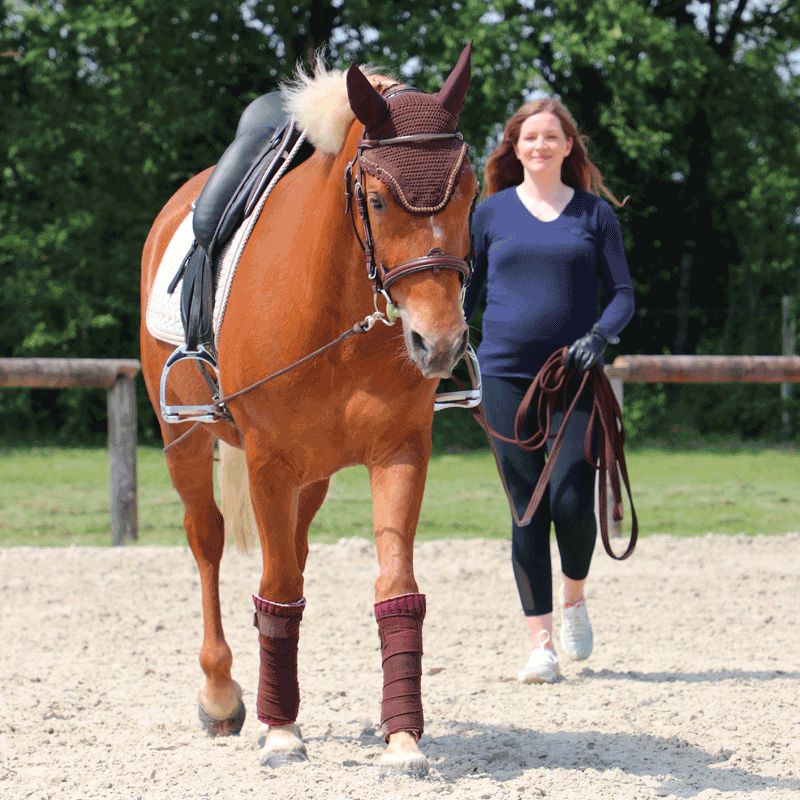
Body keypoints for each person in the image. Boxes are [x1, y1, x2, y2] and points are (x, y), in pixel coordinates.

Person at [463, 98, 635, 683]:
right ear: (514, 148)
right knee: (526, 506)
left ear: (568, 147)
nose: (539, 145)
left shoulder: (594, 215)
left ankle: (575, 598)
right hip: (505, 374)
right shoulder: (489, 215)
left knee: (568, 497)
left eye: (550, 137)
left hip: (575, 375)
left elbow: (623, 295)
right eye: (528, 137)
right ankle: (539, 644)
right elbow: (467, 295)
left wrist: (600, 335)